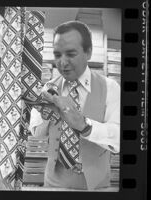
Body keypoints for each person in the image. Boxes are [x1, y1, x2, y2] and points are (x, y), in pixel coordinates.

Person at [29, 21, 120, 191]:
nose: (62, 63)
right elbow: (37, 133)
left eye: (71, 53)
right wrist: (44, 115)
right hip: (53, 184)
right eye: (57, 55)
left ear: (89, 52)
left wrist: (85, 126)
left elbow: (119, 139)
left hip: (95, 186)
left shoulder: (110, 88)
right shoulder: (48, 88)